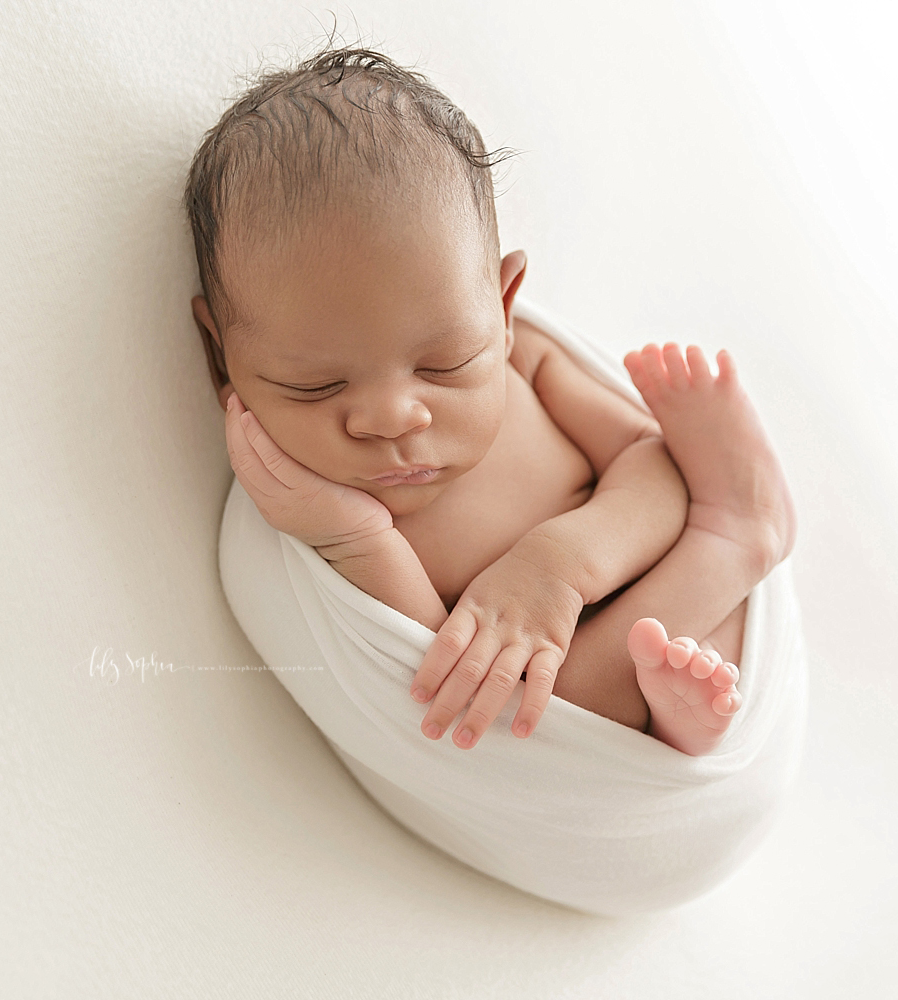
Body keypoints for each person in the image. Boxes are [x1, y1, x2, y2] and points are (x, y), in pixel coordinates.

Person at [185, 46, 796, 756]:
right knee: (536, 705)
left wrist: (559, 565)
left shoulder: (527, 360)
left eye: (444, 364)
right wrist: (355, 539)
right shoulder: (308, 502)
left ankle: (734, 532)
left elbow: (650, 460)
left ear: (504, 311)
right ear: (220, 356)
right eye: (316, 386)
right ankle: (697, 645)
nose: (392, 419)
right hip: (575, 697)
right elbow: (426, 681)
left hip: (676, 592)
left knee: (678, 558)